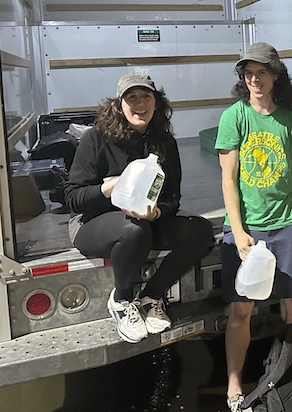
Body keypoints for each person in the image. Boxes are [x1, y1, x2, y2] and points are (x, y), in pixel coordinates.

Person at [64, 72, 213, 343]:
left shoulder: (164, 143)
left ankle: (151, 296)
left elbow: (172, 196)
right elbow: (73, 198)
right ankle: (122, 300)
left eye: (146, 96)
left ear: (157, 102)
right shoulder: (96, 139)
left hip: (145, 221)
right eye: (131, 97)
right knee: (134, 230)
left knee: (201, 231)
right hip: (93, 223)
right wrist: (110, 187)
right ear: (119, 104)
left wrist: (157, 212)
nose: (140, 103)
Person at [215, 43, 292, 412]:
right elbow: (228, 179)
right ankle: (234, 386)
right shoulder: (234, 116)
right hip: (249, 227)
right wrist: (238, 230)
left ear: (276, 75)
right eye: (248, 73)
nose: (254, 79)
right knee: (242, 309)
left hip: (287, 222)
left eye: (261, 72)